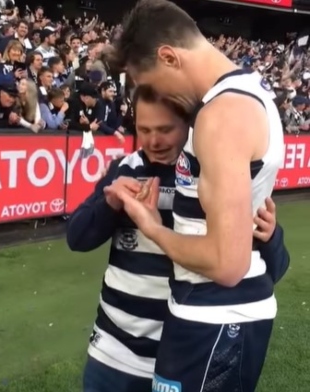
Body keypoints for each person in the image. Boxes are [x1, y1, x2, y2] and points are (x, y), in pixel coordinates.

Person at [66, 85, 289, 392]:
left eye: (165, 129)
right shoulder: (123, 169)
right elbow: (77, 238)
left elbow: (273, 272)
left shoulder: (219, 179)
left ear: (189, 125)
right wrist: (110, 204)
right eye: (144, 129)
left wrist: (270, 236)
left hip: (182, 354)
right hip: (111, 352)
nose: (153, 140)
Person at [110, 0, 286, 390]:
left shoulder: (222, 115)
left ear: (169, 57)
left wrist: (152, 228)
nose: (155, 97)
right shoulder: (245, 94)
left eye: (150, 85)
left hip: (217, 318)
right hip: (211, 313)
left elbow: (227, 264)